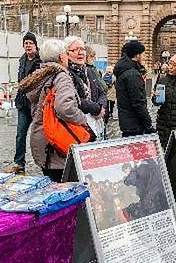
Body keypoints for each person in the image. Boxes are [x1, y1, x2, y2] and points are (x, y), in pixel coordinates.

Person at [19, 37, 89, 182]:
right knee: (66, 190)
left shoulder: (41, 75)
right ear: (61, 56)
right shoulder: (61, 76)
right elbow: (65, 108)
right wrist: (83, 118)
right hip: (57, 142)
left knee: (52, 186)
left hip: (42, 137)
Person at [66, 36, 107, 140]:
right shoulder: (65, 73)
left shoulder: (89, 71)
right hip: (77, 127)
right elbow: (73, 99)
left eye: (82, 49)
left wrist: (101, 107)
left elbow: (102, 92)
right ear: (66, 53)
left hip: (95, 125)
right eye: (75, 50)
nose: (80, 53)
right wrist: (95, 109)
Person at [12, 33, 41, 173]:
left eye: (30, 43)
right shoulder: (22, 59)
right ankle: (19, 162)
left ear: (35, 45)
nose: (28, 45)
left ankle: (44, 162)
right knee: (20, 134)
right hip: (23, 103)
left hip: (36, 104)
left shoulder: (41, 60)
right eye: (26, 43)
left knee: (40, 135)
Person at [114, 40, 153, 137]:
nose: (144, 56)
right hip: (135, 124)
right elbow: (138, 102)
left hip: (128, 122)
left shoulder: (126, 70)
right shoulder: (132, 74)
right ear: (137, 55)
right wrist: (149, 125)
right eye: (143, 54)